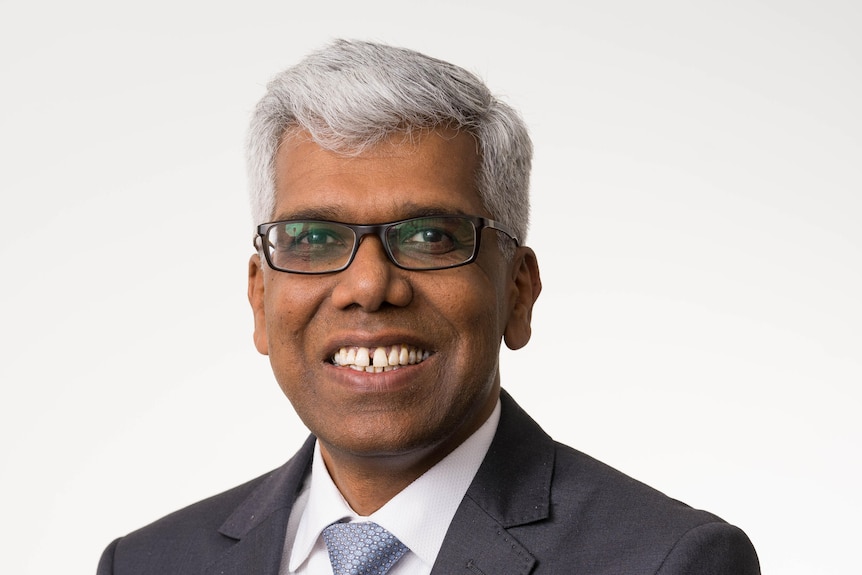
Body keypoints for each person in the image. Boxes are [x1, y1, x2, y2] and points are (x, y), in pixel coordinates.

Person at [97, 39, 760, 574]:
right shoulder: (147, 563)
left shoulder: (669, 561)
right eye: (315, 238)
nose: (368, 286)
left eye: (429, 236)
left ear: (518, 293)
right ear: (259, 297)